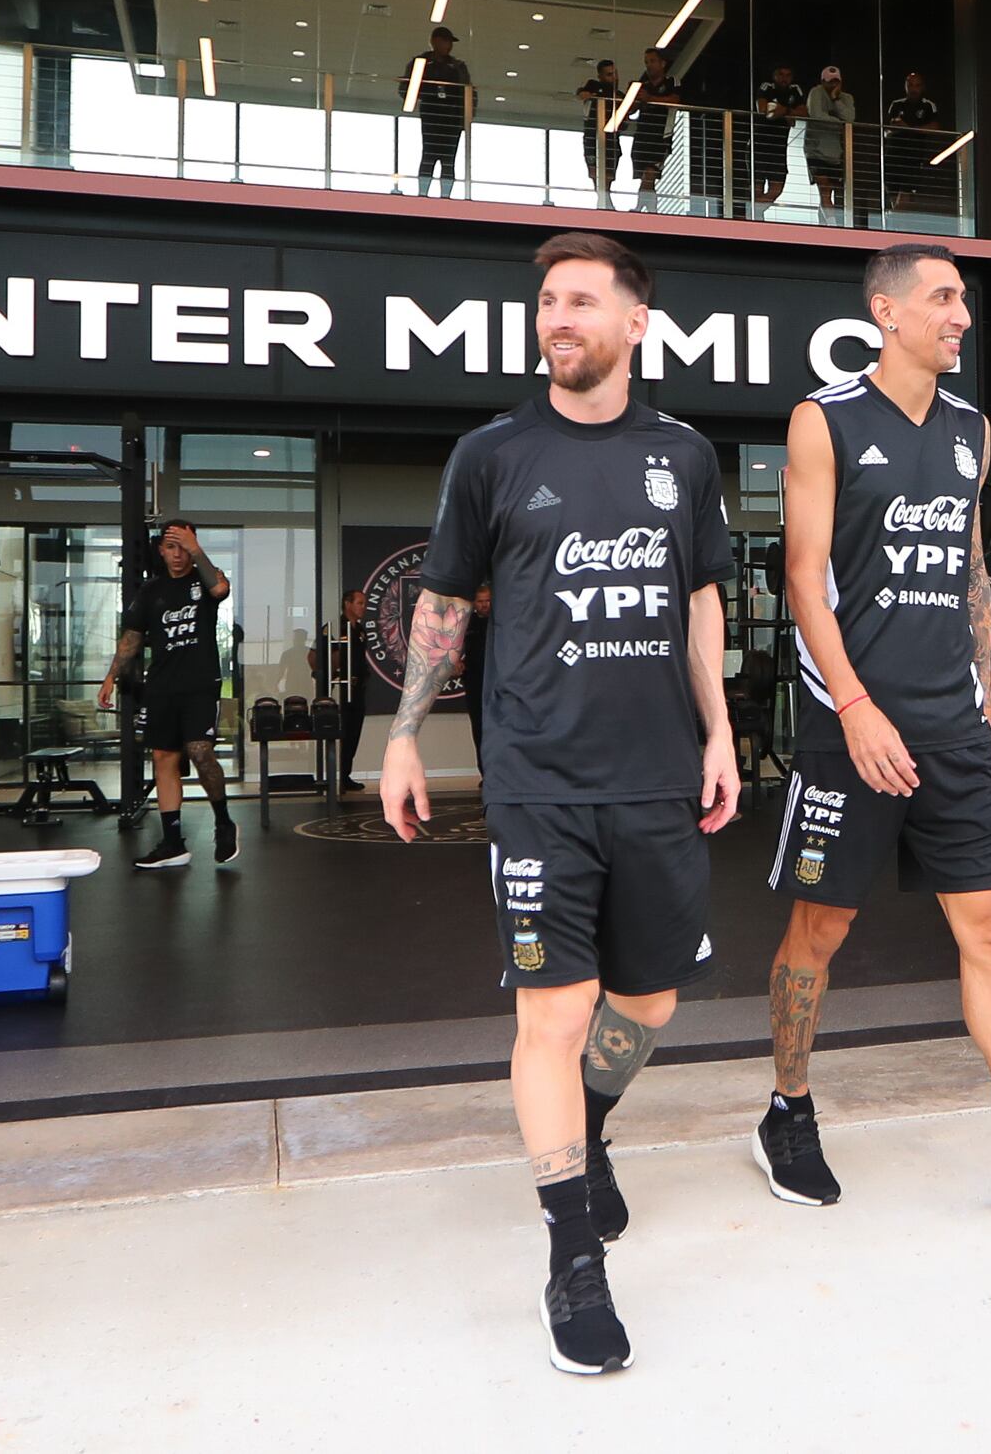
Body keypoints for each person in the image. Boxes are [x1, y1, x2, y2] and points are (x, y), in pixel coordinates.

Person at [381, 231, 739, 1376]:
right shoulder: (492, 453)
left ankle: (582, 1131)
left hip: (658, 776)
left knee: (652, 1004)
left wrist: (722, 730)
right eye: (547, 302)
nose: (557, 318)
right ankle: (572, 1255)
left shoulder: (683, 454)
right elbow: (442, 603)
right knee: (552, 1013)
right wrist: (402, 739)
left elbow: (698, 603)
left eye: (581, 300)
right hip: (536, 778)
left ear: (638, 322)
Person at [760, 240, 991, 1233]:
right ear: (886, 313)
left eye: (962, 300)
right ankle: (786, 1109)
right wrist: (853, 703)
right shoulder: (823, 420)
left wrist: (981, 676)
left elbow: (970, 564)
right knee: (821, 929)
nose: (960, 316)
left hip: (948, 726)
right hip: (852, 723)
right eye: (941, 299)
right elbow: (803, 577)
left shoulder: (970, 427)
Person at [99, 521, 237, 869]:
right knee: (164, 758)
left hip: (200, 685)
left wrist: (196, 549)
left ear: (192, 546)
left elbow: (220, 590)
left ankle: (223, 821)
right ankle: (173, 842)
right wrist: (110, 677)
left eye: (183, 546)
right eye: (170, 547)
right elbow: (131, 639)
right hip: (161, 686)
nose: (177, 555)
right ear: (160, 551)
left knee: (200, 751)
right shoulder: (150, 591)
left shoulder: (206, 577)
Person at [399, 26, 474, 198]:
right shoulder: (422, 63)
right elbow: (406, 89)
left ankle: (445, 196)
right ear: (435, 41)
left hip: (452, 116)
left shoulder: (457, 66)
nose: (449, 46)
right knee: (429, 154)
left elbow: (468, 92)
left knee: (448, 159)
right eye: (445, 41)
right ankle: (423, 193)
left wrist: (465, 119)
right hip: (432, 114)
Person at [320, 587, 371, 792]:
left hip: (357, 689)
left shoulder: (360, 630)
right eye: (359, 603)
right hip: (341, 689)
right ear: (347, 604)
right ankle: (332, 775)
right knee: (339, 732)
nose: (363, 607)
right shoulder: (334, 628)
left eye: (364, 603)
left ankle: (346, 775)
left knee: (353, 734)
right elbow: (317, 657)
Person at [625, 48, 682, 212]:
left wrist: (650, 99)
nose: (649, 65)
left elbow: (675, 100)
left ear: (662, 63)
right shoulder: (643, 86)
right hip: (642, 137)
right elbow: (631, 111)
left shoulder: (672, 82)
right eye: (646, 62)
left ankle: (638, 209)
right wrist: (633, 96)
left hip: (661, 136)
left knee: (649, 174)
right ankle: (651, 212)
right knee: (646, 178)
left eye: (652, 61)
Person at [748, 65, 806, 217]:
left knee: (776, 190)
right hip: (759, 144)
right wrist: (785, 115)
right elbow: (762, 109)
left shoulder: (795, 89)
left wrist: (784, 111)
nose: (784, 78)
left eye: (788, 75)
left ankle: (752, 215)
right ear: (774, 76)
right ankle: (755, 220)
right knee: (756, 189)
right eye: (781, 74)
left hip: (779, 147)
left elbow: (804, 112)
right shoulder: (767, 87)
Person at [804, 66, 858, 223]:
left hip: (835, 153)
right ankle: (833, 225)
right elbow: (817, 116)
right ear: (822, 82)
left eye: (836, 82)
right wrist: (839, 123)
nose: (832, 85)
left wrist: (835, 99)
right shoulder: (816, 92)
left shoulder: (846, 98)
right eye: (829, 82)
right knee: (825, 189)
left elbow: (850, 119)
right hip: (815, 150)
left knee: (829, 191)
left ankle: (823, 225)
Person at [885, 71, 945, 212]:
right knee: (894, 197)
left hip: (913, 158)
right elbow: (888, 128)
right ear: (905, 86)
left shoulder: (928, 106)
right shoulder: (896, 105)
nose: (913, 89)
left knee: (905, 196)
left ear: (922, 87)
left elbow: (934, 127)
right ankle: (896, 227)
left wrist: (908, 128)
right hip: (893, 157)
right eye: (910, 85)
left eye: (917, 85)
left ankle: (891, 220)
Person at [575, 60, 624, 207]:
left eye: (615, 74)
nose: (613, 78)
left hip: (611, 140)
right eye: (609, 74)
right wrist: (585, 94)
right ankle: (604, 202)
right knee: (595, 173)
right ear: (601, 76)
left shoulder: (619, 95)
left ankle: (605, 202)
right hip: (592, 138)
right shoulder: (594, 85)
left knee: (608, 175)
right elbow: (581, 93)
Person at [461, 581, 494, 775]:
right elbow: (451, 648)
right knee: (479, 728)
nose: (484, 605)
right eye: (481, 601)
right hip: (475, 681)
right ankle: (486, 772)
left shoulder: (501, 622)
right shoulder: (466, 623)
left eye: (488, 601)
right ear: (474, 603)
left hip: (499, 682)